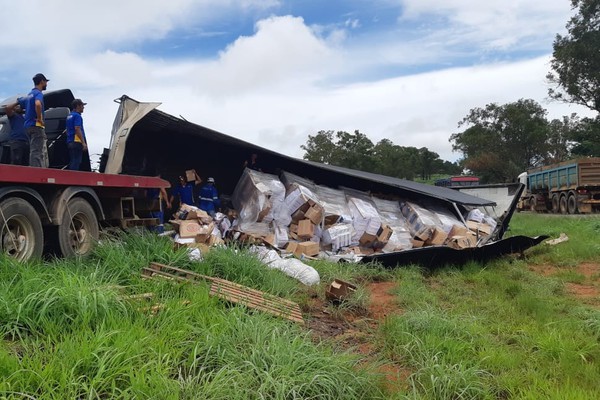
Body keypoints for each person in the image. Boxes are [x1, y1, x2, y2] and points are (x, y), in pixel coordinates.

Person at [24, 73, 49, 167]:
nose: (46, 84)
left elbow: (20, 104)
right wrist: (40, 119)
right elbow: (38, 104)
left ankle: (35, 168)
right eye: (46, 82)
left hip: (28, 125)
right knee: (38, 151)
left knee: (33, 149)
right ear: (42, 81)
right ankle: (36, 171)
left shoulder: (29, 94)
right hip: (36, 125)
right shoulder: (38, 93)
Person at [4, 97, 29, 165]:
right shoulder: (13, 116)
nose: (19, 107)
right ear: (14, 108)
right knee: (16, 161)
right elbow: (7, 108)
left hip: (26, 142)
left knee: (26, 164)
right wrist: (18, 102)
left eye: (20, 106)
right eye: (17, 106)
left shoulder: (25, 118)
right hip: (17, 141)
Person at [65, 99, 88, 170]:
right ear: (78, 106)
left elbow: (67, 130)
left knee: (73, 160)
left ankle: (71, 176)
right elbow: (77, 128)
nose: (83, 107)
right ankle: (72, 178)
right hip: (76, 141)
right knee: (76, 161)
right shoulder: (77, 116)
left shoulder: (69, 116)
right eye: (82, 106)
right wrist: (83, 143)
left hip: (70, 141)